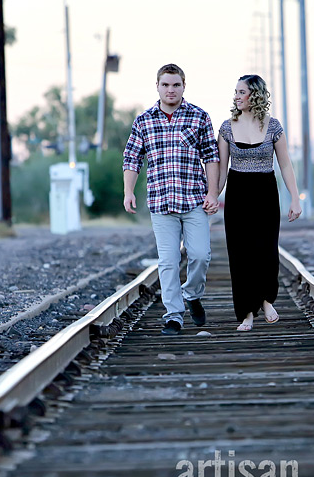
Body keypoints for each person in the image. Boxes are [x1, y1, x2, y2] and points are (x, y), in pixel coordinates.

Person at [122, 64, 221, 335]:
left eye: (175, 85)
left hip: (194, 201)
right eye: (165, 84)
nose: (170, 90)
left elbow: (211, 157)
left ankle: (192, 294)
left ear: (183, 86)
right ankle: (174, 315)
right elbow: (131, 158)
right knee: (168, 261)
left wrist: (213, 193)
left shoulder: (199, 117)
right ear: (157, 86)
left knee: (200, 255)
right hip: (161, 202)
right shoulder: (144, 120)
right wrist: (128, 191)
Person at [217, 74, 301, 332]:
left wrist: (295, 198)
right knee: (240, 254)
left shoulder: (273, 126)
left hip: (265, 190)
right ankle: (246, 314)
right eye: (236, 92)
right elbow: (221, 171)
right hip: (238, 192)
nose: (236, 96)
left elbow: (285, 164)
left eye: (241, 92)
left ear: (255, 95)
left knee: (265, 250)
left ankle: (265, 300)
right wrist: (211, 196)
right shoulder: (227, 127)